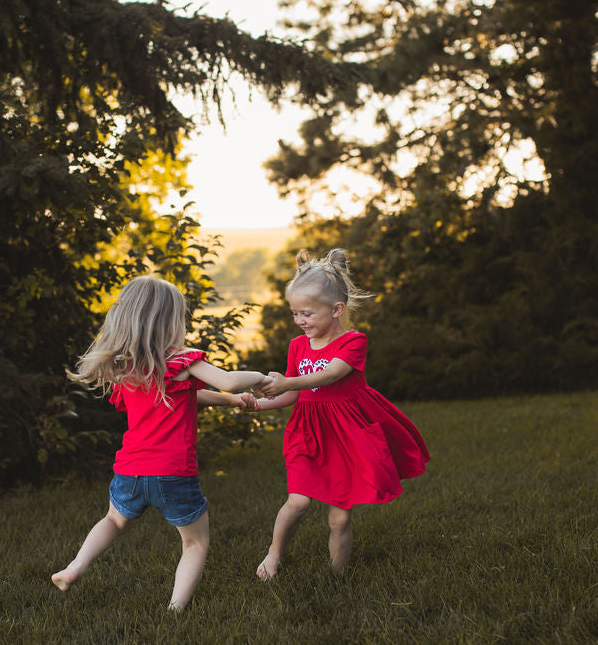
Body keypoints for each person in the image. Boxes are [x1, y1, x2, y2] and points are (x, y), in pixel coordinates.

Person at [51, 275, 265, 610]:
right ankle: (176, 609)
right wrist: (262, 378)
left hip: (130, 471)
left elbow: (187, 396)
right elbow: (227, 380)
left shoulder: (129, 369)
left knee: (113, 521)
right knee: (195, 543)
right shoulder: (181, 361)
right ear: (170, 321)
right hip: (173, 472)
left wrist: (232, 401)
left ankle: (74, 567)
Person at [247, 248, 430, 580]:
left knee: (340, 517)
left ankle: (337, 576)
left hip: (346, 436)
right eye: (294, 313)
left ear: (336, 310)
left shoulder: (353, 342)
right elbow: (292, 394)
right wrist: (258, 403)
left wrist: (288, 381)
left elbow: (330, 375)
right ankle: (273, 555)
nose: (299, 321)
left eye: (307, 313)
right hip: (307, 433)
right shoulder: (297, 346)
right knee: (298, 502)